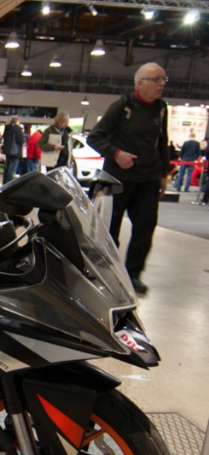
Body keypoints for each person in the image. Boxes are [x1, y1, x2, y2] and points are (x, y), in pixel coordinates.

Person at [87, 62, 169, 295]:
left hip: (148, 179)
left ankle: (133, 274)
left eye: (163, 79)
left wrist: (163, 174)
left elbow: (162, 142)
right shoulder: (122, 106)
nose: (161, 84)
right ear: (140, 83)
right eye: (156, 79)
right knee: (109, 229)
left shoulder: (161, 108)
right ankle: (108, 273)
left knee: (145, 227)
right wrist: (116, 154)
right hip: (117, 179)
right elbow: (95, 137)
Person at [1, 115, 24, 184]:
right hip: (15, 152)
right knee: (12, 170)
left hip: (7, 151)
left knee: (7, 169)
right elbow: (21, 140)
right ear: (17, 121)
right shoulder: (18, 129)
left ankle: (4, 184)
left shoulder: (7, 129)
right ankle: (9, 184)